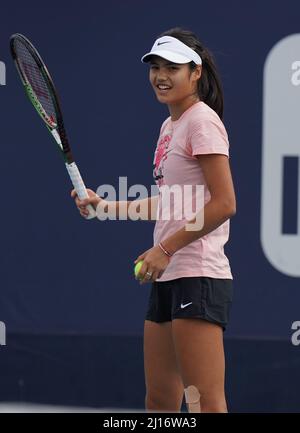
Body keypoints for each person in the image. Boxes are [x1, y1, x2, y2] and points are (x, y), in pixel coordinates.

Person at [71, 27, 236, 413]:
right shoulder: (169, 127)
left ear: (195, 72)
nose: (161, 75)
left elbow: (225, 203)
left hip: (198, 275)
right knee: (160, 400)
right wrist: (104, 207)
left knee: (201, 402)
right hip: (167, 276)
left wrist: (164, 248)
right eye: (155, 66)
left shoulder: (202, 121)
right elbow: (170, 203)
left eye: (172, 67)